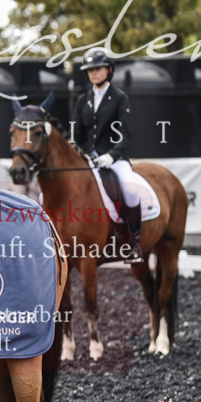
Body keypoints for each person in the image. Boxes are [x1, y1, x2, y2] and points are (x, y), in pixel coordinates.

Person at [70, 47, 144, 264]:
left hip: (114, 158)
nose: (93, 73)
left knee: (130, 191)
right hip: (88, 159)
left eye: (98, 69)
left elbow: (125, 134)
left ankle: (134, 242)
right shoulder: (83, 99)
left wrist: (111, 156)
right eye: (90, 70)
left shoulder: (120, 98)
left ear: (109, 70)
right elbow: (76, 134)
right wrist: (76, 151)